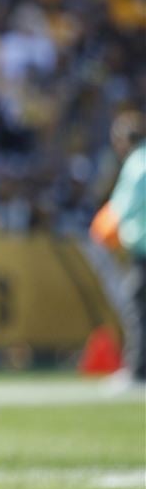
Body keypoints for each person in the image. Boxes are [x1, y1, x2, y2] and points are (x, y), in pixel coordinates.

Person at [90, 110, 145, 391]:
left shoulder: (137, 164)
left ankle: (137, 371)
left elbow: (120, 210)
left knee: (135, 307)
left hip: (143, 250)